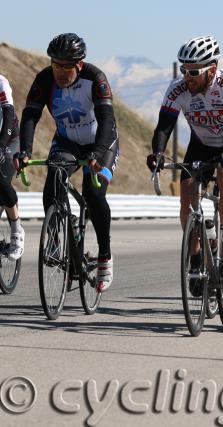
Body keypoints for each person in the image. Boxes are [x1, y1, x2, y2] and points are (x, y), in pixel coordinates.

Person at [15, 33, 118, 292]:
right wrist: (25, 150)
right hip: (67, 141)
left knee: (93, 193)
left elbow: (107, 119)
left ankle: (105, 256)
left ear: (79, 65)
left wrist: (98, 152)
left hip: (101, 142)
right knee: (54, 176)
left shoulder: (95, 78)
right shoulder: (45, 79)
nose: (60, 71)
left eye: (66, 66)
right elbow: (30, 115)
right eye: (55, 64)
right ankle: (55, 236)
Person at [146, 35, 223, 279]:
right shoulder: (177, 88)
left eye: (193, 72)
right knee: (187, 192)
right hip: (201, 143)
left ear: (212, 69)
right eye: (184, 69)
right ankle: (195, 259)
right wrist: (158, 152)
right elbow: (163, 127)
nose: (187, 77)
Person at [0, 74, 24, 261]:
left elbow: (8, 114)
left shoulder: (1, 82)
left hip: (9, 137)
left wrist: (1, 145)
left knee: (1, 178)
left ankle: (16, 229)